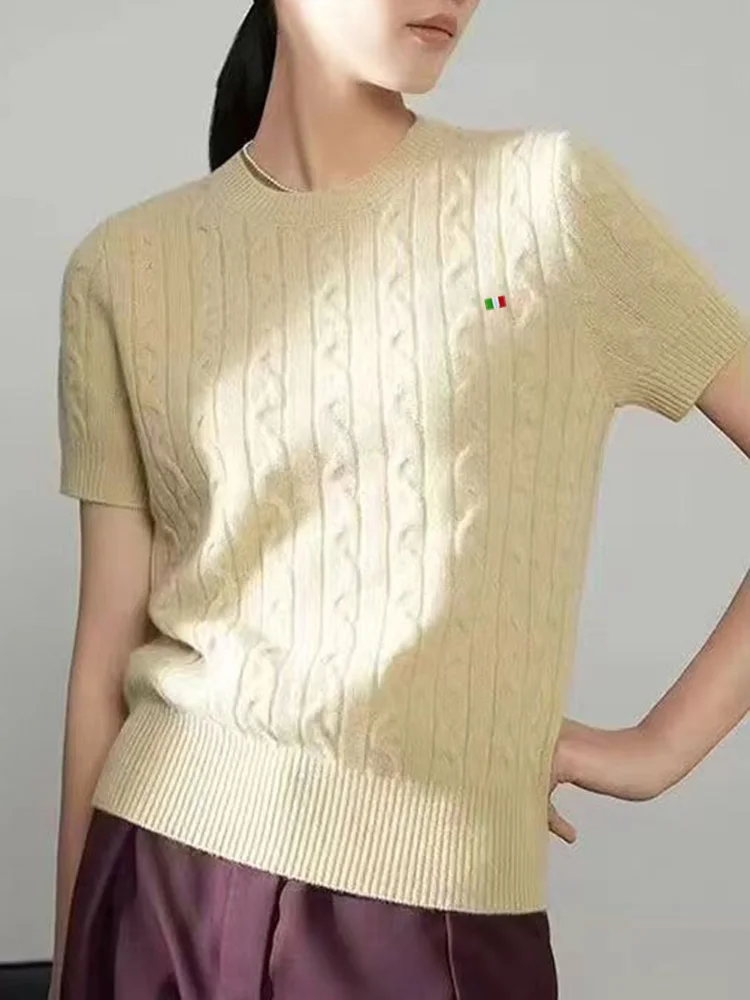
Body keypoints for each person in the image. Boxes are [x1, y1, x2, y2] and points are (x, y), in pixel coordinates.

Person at [51, 1, 750, 997]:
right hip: (155, 876)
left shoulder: (547, 201)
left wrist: (661, 747)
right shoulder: (123, 267)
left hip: (427, 915)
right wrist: (73, 964)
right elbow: (104, 656)